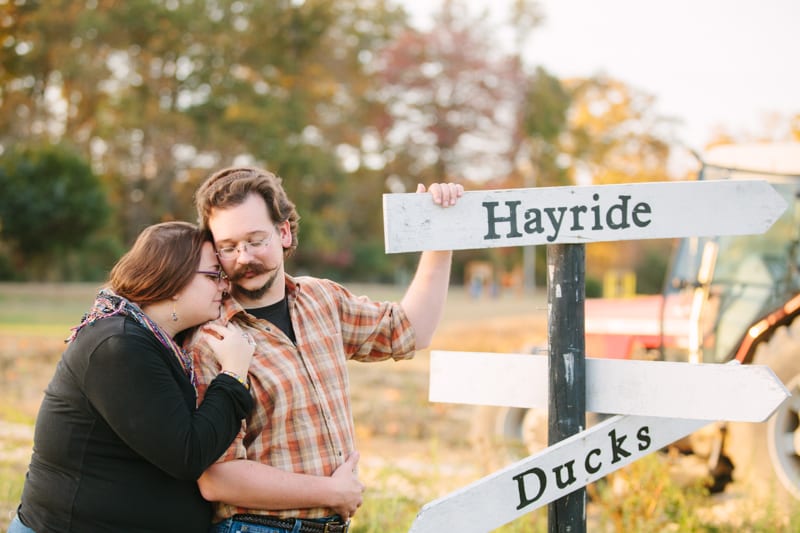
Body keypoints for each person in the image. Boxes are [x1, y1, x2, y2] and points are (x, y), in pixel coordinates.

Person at [185, 166, 463, 533]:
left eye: (256, 240)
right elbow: (218, 479)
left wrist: (439, 240)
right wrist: (331, 491)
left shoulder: (321, 299)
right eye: (229, 247)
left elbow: (410, 330)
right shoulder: (212, 340)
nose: (244, 258)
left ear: (283, 232)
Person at [7, 221, 255, 533]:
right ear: (175, 280)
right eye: (214, 275)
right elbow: (188, 454)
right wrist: (233, 374)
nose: (224, 286)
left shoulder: (158, 340)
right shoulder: (118, 346)